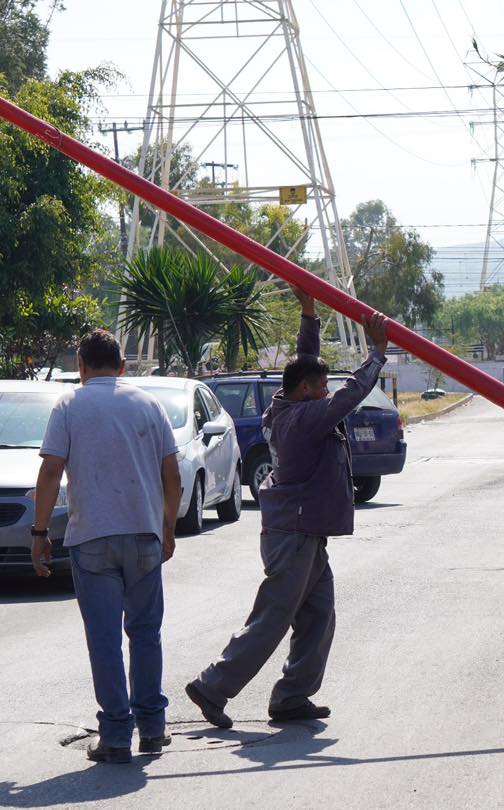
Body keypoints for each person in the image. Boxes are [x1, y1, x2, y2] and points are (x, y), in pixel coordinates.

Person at [186, 286, 389, 728]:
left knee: (318, 616)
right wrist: (375, 352)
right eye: (320, 386)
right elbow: (348, 395)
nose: (325, 390)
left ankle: (292, 696)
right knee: (273, 617)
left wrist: (309, 315)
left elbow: (305, 365)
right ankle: (212, 687)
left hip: (306, 532)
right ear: (305, 391)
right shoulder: (304, 418)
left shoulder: (290, 402)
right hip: (293, 535)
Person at [32, 329, 182, 764]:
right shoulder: (149, 404)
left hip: (92, 539)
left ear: (81, 366)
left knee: (104, 641)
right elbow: (172, 477)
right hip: (144, 537)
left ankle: (116, 736)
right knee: (145, 634)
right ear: (122, 366)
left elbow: (49, 474)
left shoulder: (69, 405)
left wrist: (39, 534)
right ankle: (153, 728)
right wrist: (166, 526)